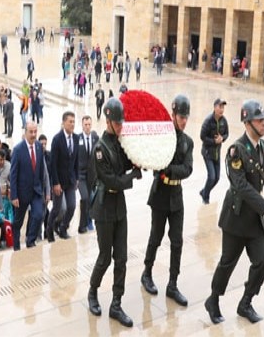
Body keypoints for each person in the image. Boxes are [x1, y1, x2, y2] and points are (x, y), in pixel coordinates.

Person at [205, 100, 264, 324]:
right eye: (259, 120)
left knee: (262, 261)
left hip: (253, 218)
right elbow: (241, 185)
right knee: (228, 262)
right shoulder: (236, 150)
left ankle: (245, 303)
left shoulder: (262, 147)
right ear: (247, 123)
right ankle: (214, 300)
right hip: (236, 217)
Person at [87, 98, 142, 327]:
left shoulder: (119, 143)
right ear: (108, 121)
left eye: (122, 123)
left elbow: (126, 162)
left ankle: (116, 304)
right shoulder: (100, 148)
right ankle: (92, 292)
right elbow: (111, 180)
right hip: (104, 208)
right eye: (117, 123)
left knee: (121, 258)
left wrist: (141, 160)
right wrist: (132, 176)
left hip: (119, 207)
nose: (121, 127)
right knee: (105, 257)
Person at [140, 94, 194, 307]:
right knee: (156, 236)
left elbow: (187, 169)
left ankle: (173, 284)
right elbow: (154, 160)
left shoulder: (187, 142)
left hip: (176, 196)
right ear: (173, 115)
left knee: (177, 241)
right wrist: (162, 168)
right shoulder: (162, 136)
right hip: (160, 195)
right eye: (181, 116)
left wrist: (169, 170)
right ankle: (147, 273)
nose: (184, 120)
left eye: (186, 117)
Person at [9, 121, 51, 250]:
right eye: (31, 132)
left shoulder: (39, 147)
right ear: (25, 132)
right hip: (22, 193)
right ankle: (16, 245)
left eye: (35, 132)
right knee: (18, 221)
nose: (33, 135)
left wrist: (45, 191)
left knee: (39, 215)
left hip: (36, 190)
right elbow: (13, 174)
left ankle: (30, 240)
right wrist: (14, 195)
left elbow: (41, 171)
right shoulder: (17, 150)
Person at [46, 112, 79, 242]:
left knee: (71, 206)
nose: (72, 124)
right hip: (59, 180)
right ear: (64, 122)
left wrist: (76, 177)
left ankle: (63, 227)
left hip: (71, 180)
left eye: (73, 122)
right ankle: (49, 228)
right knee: (57, 208)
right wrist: (55, 183)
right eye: (70, 121)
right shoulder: (57, 139)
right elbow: (53, 163)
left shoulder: (76, 138)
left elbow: (76, 160)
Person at [199, 99, 229, 204]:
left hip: (217, 153)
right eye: (220, 107)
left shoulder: (224, 121)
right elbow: (202, 136)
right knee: (211, 177)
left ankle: (204, 191)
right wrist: (214, 141)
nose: (221, 109)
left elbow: (226, 134)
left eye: (223, 107)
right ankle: (205, 198)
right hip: (207, 153)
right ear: (214, 107)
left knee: (217, 178)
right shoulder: (208, 121)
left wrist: (222, 138)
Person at [77, 115, 99, 233]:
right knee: (85, 198)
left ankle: (89, 221)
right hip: (81, 175)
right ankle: (82, 225)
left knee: (92, 199)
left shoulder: (96, 138)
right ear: (82, 125)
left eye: (89, 124)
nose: (87, 127)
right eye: (85, 124)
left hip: (92, 175)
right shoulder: (77, 139)